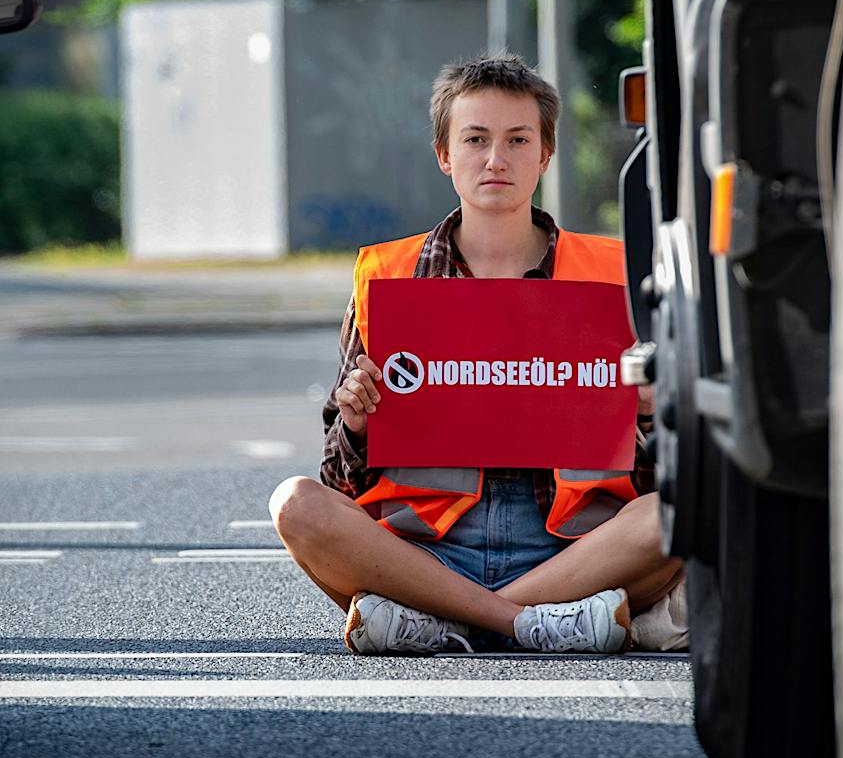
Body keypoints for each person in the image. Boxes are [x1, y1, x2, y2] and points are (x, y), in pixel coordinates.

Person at [270, 54, 688, 656]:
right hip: (424, 553)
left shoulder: (611, 274)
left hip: (575, 552)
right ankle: (527, 623)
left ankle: (448, 623)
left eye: (518, 140)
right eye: (475, 140)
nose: (496, 159)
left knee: (678, 509)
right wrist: (356, 424)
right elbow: (339, 483)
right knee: (295, 504)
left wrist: (645, 415)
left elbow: (658, 475)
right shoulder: (388, 276)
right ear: (445, 155)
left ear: (545, 156)